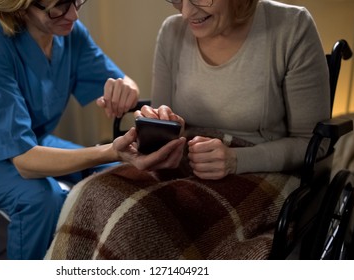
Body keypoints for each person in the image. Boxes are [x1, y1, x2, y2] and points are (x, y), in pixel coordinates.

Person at [45, 0, 330, 259]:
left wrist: (235, 160)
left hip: (261, 169)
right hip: (184, 158)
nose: (186, 12)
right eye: (177, 0)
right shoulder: (172, 31)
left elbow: (312, 143)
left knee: (139, 222)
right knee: (90, 193)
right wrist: (164, 123)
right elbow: (162, 115)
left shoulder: (292, 28)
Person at [0, 0, 185, 260]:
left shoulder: (71, 35)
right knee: (41, 198)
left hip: (35, 143)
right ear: (21, 6)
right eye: (59, 6)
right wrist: (110, 151)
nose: (74, 15)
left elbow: (123, 82)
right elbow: (25, 161)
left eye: (77, 2)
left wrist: (126, 88)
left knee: (119, 174)